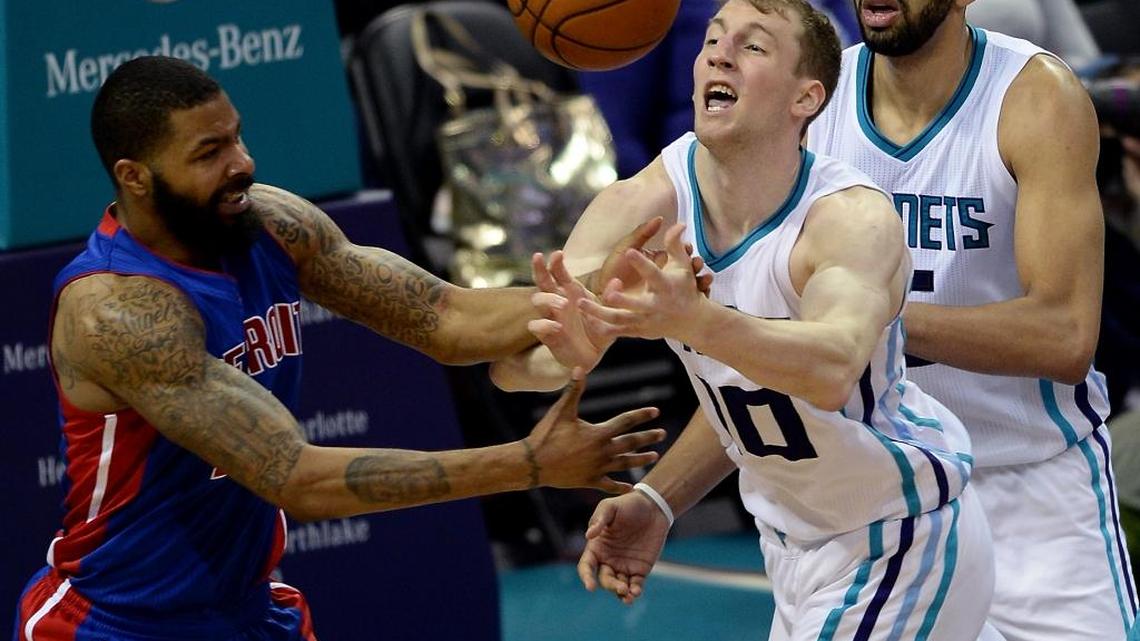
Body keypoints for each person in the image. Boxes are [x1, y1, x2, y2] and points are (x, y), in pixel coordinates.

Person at [11, 56, 670, 641]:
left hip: (248, 609)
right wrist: (526, 463)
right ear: (135, 177)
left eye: (236, 136)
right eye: (209, 152)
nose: (242, 163)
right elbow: (297, 479)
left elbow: (444, 317)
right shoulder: (118, 310)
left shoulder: (271, 224)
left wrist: (603, 289)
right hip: (117, 621)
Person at [492, 1, 1001, 637]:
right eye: (712, 41)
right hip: (790, 549)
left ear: (805, 98)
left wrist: (699, 321)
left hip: (900, 535)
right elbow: (510, 366)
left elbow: (831, 370)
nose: (720, 56)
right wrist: (568, 356)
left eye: (753, 46)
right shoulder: (642, 202)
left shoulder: (849, 220)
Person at [805, 1, 1137, 639]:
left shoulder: (1036, 97)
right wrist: (660, 499)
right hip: (882, 497)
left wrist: (873, 322)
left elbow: (1065, 337)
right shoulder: (814, 102)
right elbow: (764, 346)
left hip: (1028, 487)